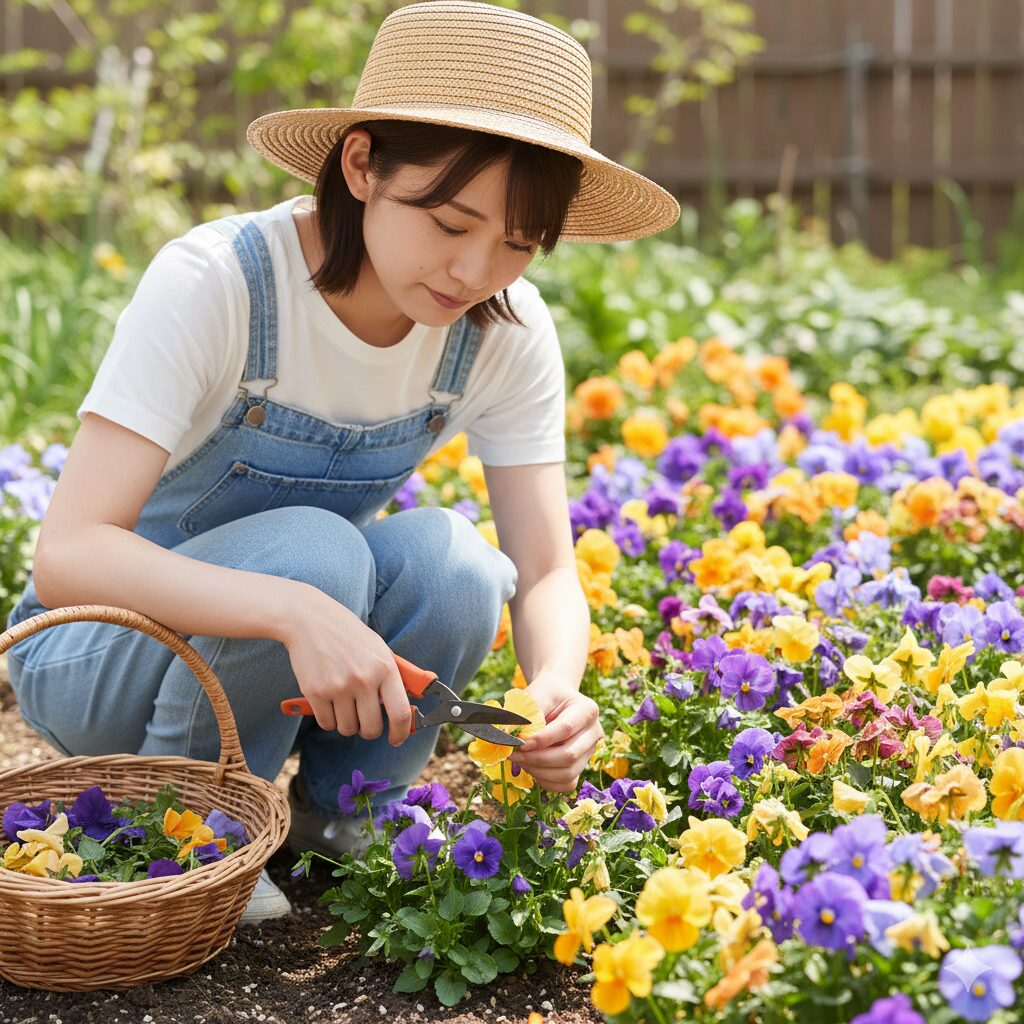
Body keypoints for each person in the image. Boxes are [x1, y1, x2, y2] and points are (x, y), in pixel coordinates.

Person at [4, 0, 679, 924]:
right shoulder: (221, 282)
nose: (475, 271)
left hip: (283, 653)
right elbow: (69, 553)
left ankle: (346, 819)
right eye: (450, 223)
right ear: (361, 165)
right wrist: (293, 608)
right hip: (97, 653)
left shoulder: (501, 334)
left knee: (457, 565)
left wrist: (555, 685)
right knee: (313, 555)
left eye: (518, 243)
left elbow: (547, 568)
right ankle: (188, 830)